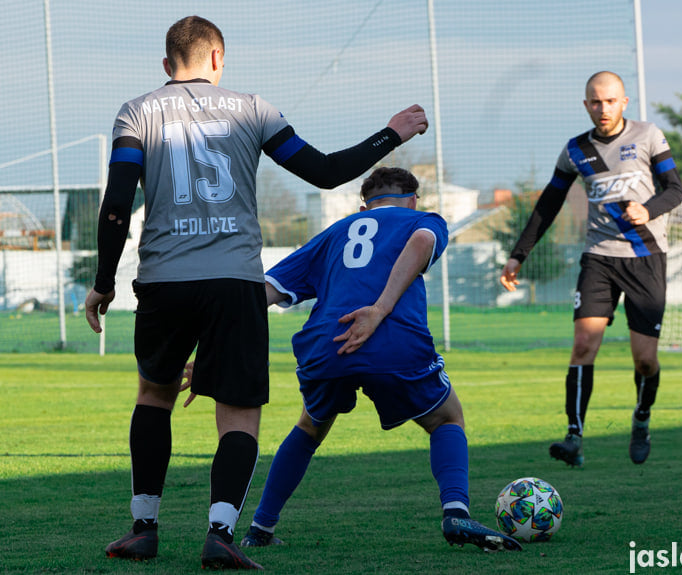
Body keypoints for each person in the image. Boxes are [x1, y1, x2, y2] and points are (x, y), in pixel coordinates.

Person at [83, 16, 428, 570]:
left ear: (167, 65)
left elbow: (118, 202)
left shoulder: (138, 110)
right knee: (239, 415)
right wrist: (392, 132)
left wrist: (103, 282)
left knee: (154, 397)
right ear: (218, 58)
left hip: (165, 283)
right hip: (235, 283)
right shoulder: (254, 108)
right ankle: (220, 535)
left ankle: (143, 529)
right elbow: (325, 172)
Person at [182, 167, 521, 554]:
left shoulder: (335, 233)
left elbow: (264, 292)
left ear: (364, 206)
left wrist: (207, 350)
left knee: (310, 426)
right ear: (413, 200)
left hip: (327, 343)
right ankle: (456, 511)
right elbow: (423, 242)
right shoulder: (423, 220)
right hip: (390, 339)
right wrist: (378, 309)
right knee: (446, 418)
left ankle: (260, 527)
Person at [500, 71, 682, 468]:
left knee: (645, 361)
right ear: (586, 105)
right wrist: (519, 254)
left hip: (646, 257)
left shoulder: (648, 135)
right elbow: (548, 204)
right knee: (584, 345)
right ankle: (574, 436)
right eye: (596, 102)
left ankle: (641, 418)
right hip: (598, 257)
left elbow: (675, 190)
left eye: (611, 101)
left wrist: (646, 210)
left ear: (625, 102)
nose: (603, 109)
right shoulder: (575, 150)